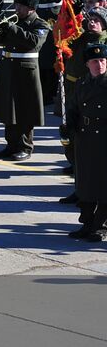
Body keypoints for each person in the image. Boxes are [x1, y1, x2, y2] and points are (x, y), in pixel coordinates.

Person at [0, 0, 50, 161]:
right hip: (8, 67)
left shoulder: (40, 24)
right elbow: (1, 42)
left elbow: (34, 43)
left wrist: (12, 28)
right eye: (16, 5)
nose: (17, 8)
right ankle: (11, 144)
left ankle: (25, 146)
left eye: (21, 6)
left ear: (31, 8)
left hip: (26, 70)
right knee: (9, 108)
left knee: (24, 110)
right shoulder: (15, 21)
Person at [64, 41, 107, 240]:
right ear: (87, 64)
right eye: (95, 61)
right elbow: (73, 108)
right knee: (86, 184)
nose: (99, 65)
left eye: (102, 60)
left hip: (104, 138)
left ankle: (100, 226)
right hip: (85, 137)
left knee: (103, 185)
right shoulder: (82, 83)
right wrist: (68, 126)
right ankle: (87, 223)